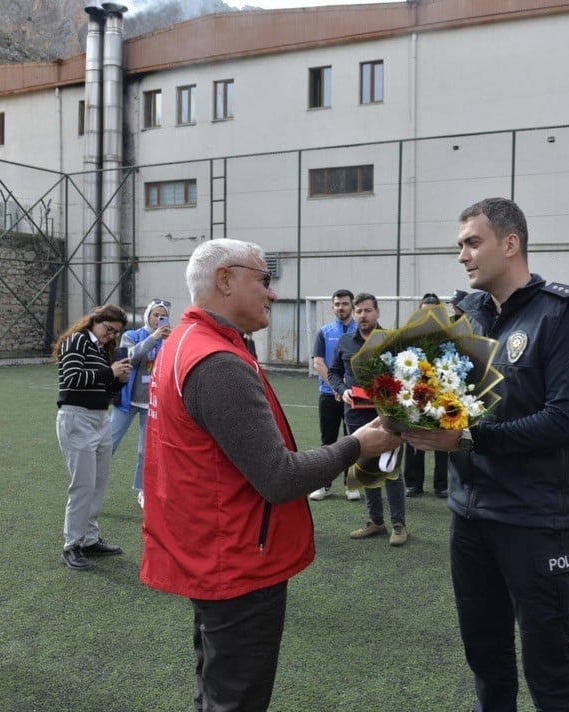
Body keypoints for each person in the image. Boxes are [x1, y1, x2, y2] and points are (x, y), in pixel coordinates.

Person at [139, 239, 400, 712]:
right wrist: (358, 444)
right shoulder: (216, 361)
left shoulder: (183, 344)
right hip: (238, 558)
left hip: (210, 548)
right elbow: (278, 477)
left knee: (215, 689)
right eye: (263, 279)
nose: (272, 293)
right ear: (224, 280)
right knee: (234, 699)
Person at [404, 198, 569, 711]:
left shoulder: (562, 316)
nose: (463, 256)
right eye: (460, 245)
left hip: (534, 519)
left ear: (510, 244)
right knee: (485, 659)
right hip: (468, 515)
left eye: (472, 242)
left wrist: (470, 440)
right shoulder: (461, 314)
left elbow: (564, 421)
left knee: (548, 667)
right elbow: (439, 398)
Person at [327, 293, 409, 546]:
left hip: (389, 417)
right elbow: (333, 372)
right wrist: (342, 390)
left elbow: (406, 374)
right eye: (359, 311)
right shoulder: (344, 342)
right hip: (356, 415)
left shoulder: (391, 341)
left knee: (391, 469)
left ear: (377, 312)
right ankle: (375, 521)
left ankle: (399, 525)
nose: (362, 315)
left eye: (367, 311)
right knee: (364, 468)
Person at [53, 304, 132, 571]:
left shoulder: (100, 348)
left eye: (115, 333)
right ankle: (72, 544)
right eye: (108, 329)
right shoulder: (77, 340)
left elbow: (104, 388)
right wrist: (110, 371)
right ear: (95, 321)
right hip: (77, 416)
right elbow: (73, 378)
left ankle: (88, 538)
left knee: (98, 482)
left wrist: (119, 379)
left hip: (100, 417)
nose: (110, 336)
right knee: (83, 484)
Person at [111, 299, 172, 508]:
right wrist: (153, 339)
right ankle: (91, 484)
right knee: (108, 443)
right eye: (155, 315)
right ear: (148, 316)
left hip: (152, 404)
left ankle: (143, 490)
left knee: (145, 451)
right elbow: (129, 357)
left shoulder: (169, 339)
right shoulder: (132, 335)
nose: (158, 319)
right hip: (127, 401)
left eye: (162, 316)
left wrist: (169, 342)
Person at [307, 288, 359, 502]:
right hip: (329, 394)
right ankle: (324, 484)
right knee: (327, 441)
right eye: (337, 304)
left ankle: (351, 485)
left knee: (352, 441)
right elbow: (318, 363)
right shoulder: (324, 332)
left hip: (356, 396)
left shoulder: (361, 332)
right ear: (332, 307)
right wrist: (337, 387)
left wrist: (347, 389)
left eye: (345, 304)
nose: (341, 308)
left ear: (352, 306)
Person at [404, 293, 449, 498]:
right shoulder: (410, 336)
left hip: (443, 394)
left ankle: (442, 485)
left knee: (443, 439)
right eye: (425, 311)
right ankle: (413, 483)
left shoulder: (449, 336)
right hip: (417, 393)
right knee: (414, 437)